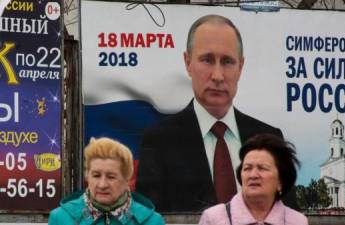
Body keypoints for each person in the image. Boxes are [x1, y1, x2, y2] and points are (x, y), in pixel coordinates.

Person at [136, 14, 297, 212]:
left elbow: (289, 216)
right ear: (188, 63)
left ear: (241, 66)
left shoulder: (271, 140)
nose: (218, 76)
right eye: (207, 60)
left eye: (228, 61)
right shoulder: (159, 141)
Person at [49, 137, 165, 225]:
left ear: (127, 180)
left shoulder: (152, 221)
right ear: (87, 176)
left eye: (111, 177)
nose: (102, 184)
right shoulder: (60, 218)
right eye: (96, 175)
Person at [199, 134, 308, 225]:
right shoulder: (213, 218)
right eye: (247, 168)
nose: (253, 175)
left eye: (262, 168)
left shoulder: (297, 221)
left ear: (281, 180)